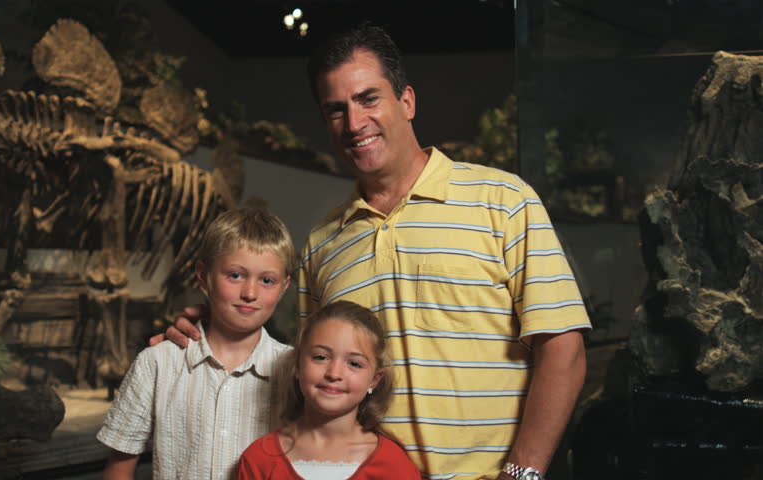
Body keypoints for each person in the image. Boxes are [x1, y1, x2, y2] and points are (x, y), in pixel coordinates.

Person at [157, 23, 590, 480]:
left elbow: (563, 348)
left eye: (368, 99)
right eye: (336, 110)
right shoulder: (324, 241)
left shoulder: (503, 200)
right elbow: (310, 370)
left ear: (406, 101)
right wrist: (217, 333)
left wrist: (522, 475)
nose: (355, 122)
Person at [99, 206, 295, 479]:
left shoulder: (296, 371)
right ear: (203, 276)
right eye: (235, 275)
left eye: (266, 280)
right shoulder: (156, 363)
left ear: (284, 286)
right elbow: (119, 469)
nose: (250, 293)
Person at [236, 300, 421, 480]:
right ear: (298, 365)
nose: (334, 373)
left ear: (374, 380)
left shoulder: (393, 465)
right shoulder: (260, 459)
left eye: (354, 363)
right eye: (320, 357)